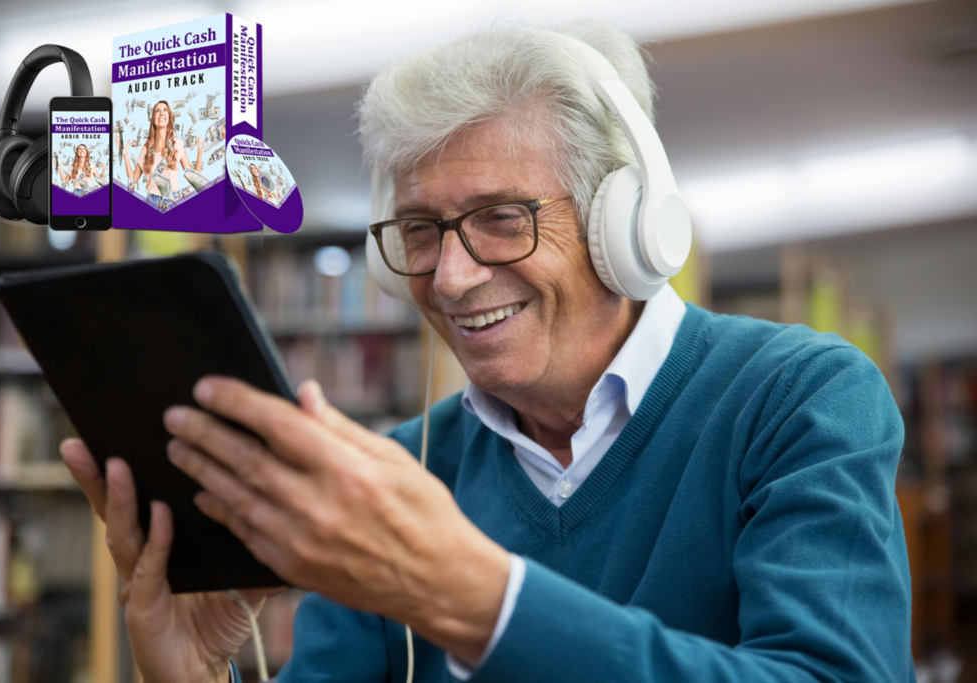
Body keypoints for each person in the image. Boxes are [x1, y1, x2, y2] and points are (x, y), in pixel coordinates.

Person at [60, 21, 913, 683]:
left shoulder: (800, 398)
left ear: (627, 223)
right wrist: (201, 672)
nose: (453, 277)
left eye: (503, 219)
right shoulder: (400, 471)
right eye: (422, 230)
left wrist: (470, 593)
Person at [121, 100, 203, 204]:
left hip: (171, 202)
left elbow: (195, 178)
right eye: (157, 111)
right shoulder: (146, 148)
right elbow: (133, 179)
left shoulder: (177, 144)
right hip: (151, 202)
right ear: (153, 120)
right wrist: (125, 155)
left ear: (169, 118)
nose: (162, 113)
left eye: (165, 110)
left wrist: (199, 154)